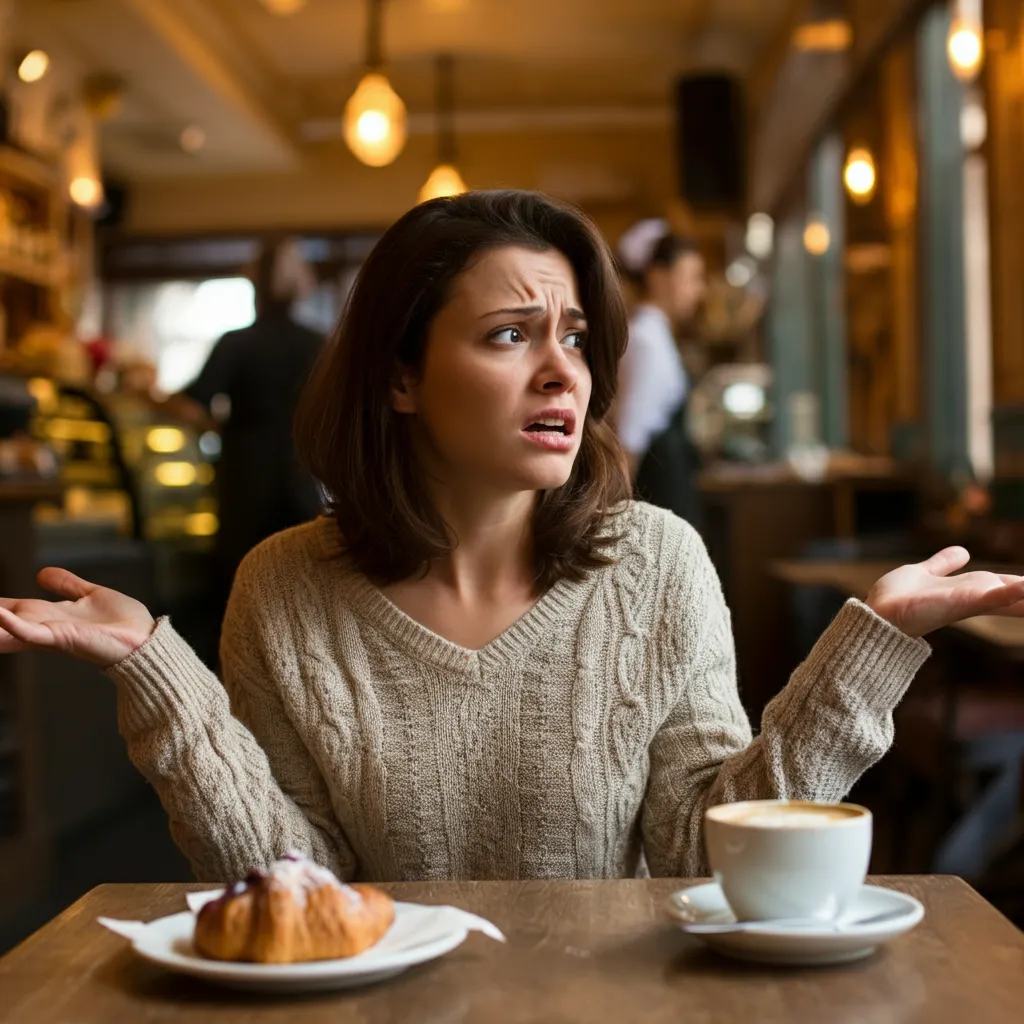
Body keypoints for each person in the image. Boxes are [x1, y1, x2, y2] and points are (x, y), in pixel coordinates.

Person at [1, 191, 1022, 885]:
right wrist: (155, 671)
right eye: (508, 334)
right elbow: (295, 894)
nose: (561, 373)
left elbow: (697, 862)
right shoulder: (285, 588)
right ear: (400, 376)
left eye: (573, 336)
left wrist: (870, 646)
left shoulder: (657, 564)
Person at [161, 237, 324, 598]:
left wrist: (217, 426)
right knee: (302, 575)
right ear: (301, 287)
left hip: (244, 473)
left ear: (254, 285)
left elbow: (190, 405)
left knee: (240, 580)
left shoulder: (237, 342)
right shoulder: (318, 343)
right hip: (302, 472)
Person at [615, 221, 706, 527]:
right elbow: (629, 440)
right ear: (657, 277)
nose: (699, 290)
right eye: (691, 278)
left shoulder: (655, 335)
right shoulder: (646, 340)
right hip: (657, 503)